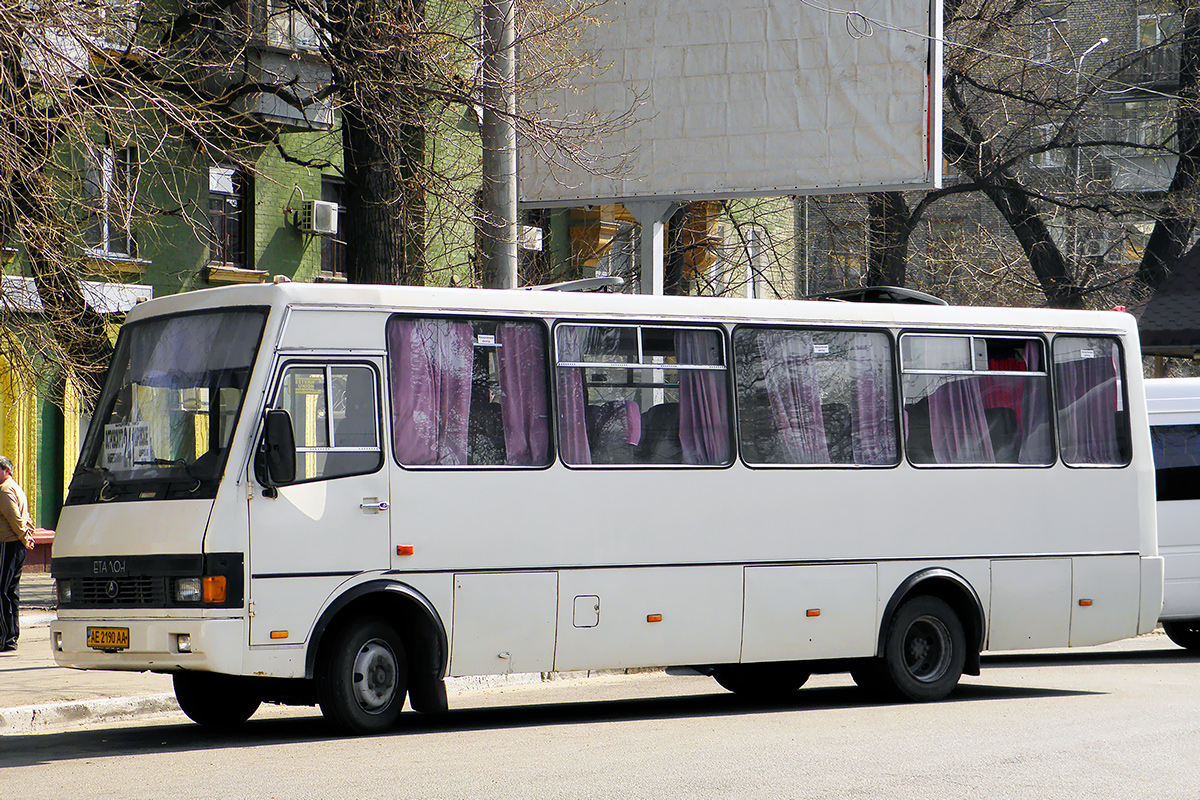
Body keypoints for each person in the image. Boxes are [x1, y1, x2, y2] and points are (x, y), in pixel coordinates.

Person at [0, 456, 35, 652]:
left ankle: (5, 637)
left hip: (8, 544)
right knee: (11, 592)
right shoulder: (16, 488)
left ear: (6, 470)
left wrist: (24, 536)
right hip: (17, 545)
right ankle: (11, 635)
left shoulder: (5, 490)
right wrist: (28, 535)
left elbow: (14, 518)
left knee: (2, 590)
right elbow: (26, 516)